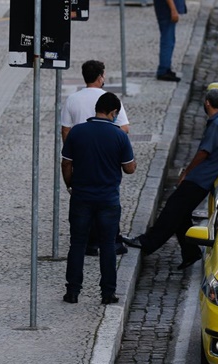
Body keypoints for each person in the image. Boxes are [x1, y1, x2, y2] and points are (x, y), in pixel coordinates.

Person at [123, 89, 218, 269]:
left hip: (199, 179)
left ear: (207, 103)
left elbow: (203, 152)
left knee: (172, 210)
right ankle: (191, 253)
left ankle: (147, 242)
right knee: (181, 215)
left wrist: (186, 172)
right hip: (203, 179)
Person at [61, 92, 136, 304]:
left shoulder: (77, 132)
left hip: (81, 197)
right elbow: (129, 168)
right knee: (107, 245)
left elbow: (66, 163)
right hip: (108, 200)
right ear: (113, 113)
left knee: (77, 243)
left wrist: (70, 185)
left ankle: (72, 291)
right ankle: (107, 293)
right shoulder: (119, 136)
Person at [61, 60, 130, 256]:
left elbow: (65, 130)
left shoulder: (72, 99)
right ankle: (112, 240)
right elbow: (124, 128)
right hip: (107, 155)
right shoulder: (109, 99)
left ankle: (89, 242)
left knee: (84, 199)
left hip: (81, 156)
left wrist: (73, 151)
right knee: (109, 198)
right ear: (100, 77)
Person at [154, 0, 187, 82]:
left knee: (169, 38)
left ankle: (166, 67)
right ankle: (164, 69)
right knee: (167, 39)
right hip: (166, 8)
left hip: (164, 7)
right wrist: (173, 9)